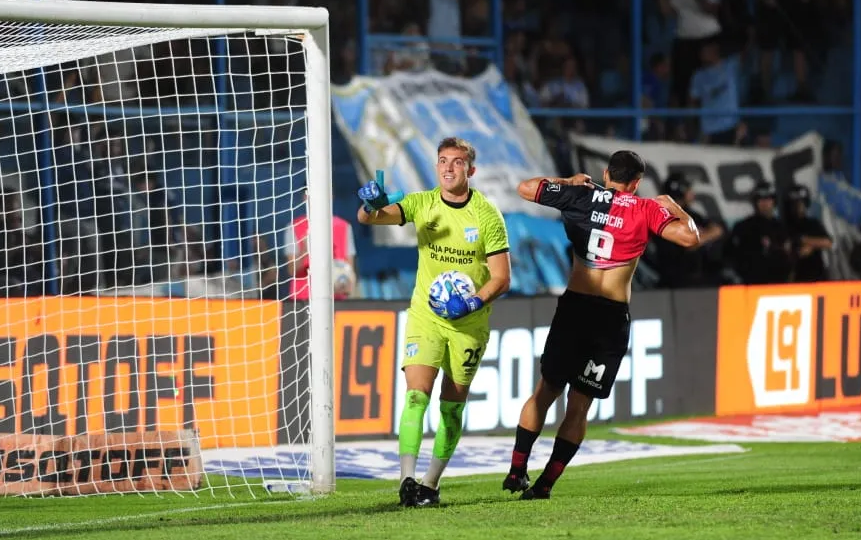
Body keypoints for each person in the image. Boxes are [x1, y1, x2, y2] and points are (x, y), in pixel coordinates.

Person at [502, 150, 700, 500]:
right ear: (636, 183)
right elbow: (690, 238)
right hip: (610, 317)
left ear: (606, 174)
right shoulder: (646, 208)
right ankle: (544, 485)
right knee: (579, 406)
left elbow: (524, 188)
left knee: (545, 391)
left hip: (574, 308)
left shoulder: (581, 194)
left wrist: (567, 181)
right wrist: (675, 206)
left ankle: (517, 469)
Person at [356, 137, 511, 508]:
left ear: (470, 170)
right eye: (442, 161)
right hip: (426, 316)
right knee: (415, 395)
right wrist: (370, 204)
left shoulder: (487, 215)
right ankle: (407, 480)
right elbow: (369, 219)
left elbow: (502, 278)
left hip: (468, 325)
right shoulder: (422, 203)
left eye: (457, 162)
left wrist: (471, 302)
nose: (448, 168)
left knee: (451, 407)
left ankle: (430, 483)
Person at [651, 172, 724, 287]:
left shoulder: (690, 214)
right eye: (689, 190)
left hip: (694, 275)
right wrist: (706, 235)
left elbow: (717, 229)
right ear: (681, 191)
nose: (692, 193)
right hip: (674, 279)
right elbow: (689, 244)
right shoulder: (664, 215)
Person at [286, 189, 357, 301]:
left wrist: (344, 285)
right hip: (303, 300)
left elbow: (350, 270)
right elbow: (291, 270)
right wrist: (305, 250)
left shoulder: (344, 226)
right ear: (305, 198)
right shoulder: (294, 227)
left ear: (331, 197)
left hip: (336, 299)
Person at [725, 181, 794, 285]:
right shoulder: (742, 226)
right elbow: (730, 254)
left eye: (768, 199)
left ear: (774, 201)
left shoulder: (783, 228)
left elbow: (791, 256)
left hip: (779, 283)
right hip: (750, 284)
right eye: (760, 199)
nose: (764, 203)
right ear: (755, 202)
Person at [781, 183, 833, 282]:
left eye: (801, 203)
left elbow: (828, 242)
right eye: (794, 203)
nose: (798, 207)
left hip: (817, 277)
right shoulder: (783, 226)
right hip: (794, 278)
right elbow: (784, 248)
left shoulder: (812, 223)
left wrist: (805, 241)